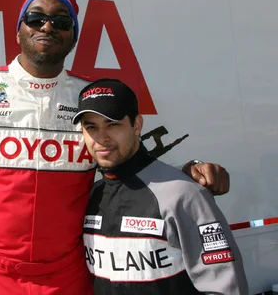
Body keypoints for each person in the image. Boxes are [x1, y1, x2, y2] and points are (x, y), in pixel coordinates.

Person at [0, 0, 230, 294]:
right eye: (35, 19)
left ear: (73, 37)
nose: (47, 26)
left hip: (65, 275)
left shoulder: (88, 97)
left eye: (62, 22)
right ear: (19, 29)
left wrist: (186, 173)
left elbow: (128, 161)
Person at [73, 78, 248, 294]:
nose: (101, 138)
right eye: (91, 127)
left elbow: (224, 287)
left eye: (113, 124)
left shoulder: (183, 193)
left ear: (136, 125)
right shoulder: (91, 195)